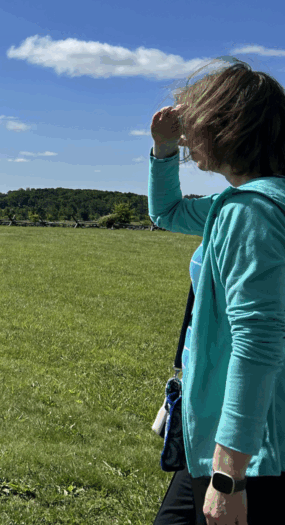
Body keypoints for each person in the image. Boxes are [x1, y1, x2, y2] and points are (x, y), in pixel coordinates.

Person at [149, 57, 285, 525]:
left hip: (252, 452)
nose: (187, 135)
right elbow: (166, 212)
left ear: (228, 125)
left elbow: (258, 343)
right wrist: (163, 151)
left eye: (194, 120)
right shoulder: (248, 201)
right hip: (241, 436)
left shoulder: (252, 211)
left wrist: (229, 477)